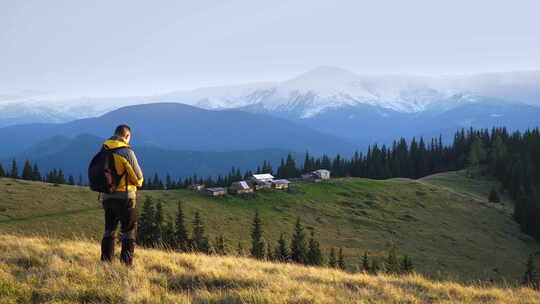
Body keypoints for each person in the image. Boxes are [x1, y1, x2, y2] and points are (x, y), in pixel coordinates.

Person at [100, 125, 144, 266]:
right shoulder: (126, 152)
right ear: (126, 136)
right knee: (128, 231)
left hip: (107, 197)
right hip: (125, 197)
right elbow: (138, 179)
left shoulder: (103, 149)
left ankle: (106, 263)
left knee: (109, 230)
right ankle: (125, 265)